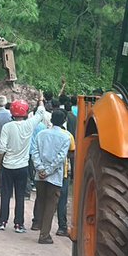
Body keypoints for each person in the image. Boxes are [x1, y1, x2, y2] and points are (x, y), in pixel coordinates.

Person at [0, 100, 36, 232]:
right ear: (26, 112)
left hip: (8, 166)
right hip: (22, 167)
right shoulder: (30, 124)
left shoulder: (7, 127)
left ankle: (2, 222)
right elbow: (40, 113)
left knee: (6, 195)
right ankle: (19, 224)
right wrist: (40, 100)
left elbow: (1, 148)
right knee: (20, 196)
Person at [31, 110, 70, 244]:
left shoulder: (41, 134)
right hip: (54, 176)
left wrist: (40, 168)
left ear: (51, 120)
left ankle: (38, 225)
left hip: (40, 175)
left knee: (40, 201)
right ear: (64, 120)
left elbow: (34, 153)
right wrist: (48, 170)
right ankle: (44, 235)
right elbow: (61, 158)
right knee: (50, 206)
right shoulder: (65, 137)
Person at [57, 96, 77, 237]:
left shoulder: (43, 134)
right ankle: (62, 227)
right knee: (61, 200)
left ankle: (37, 222)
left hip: (43, 173)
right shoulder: (68, 136)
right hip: (61, 171)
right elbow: (71, 153)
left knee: (44, 198)